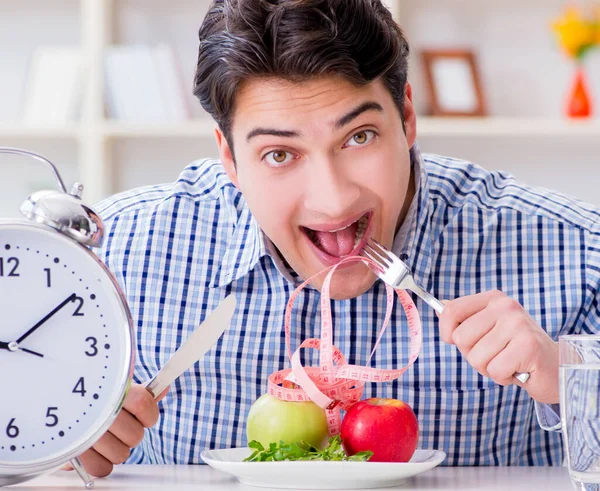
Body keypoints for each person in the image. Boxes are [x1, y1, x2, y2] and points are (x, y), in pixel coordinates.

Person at [73, 0, 600, 478]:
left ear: (408, 118)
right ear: (229, 158)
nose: (331, 200)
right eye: (280, 154)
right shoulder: (109, 256)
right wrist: (53, 448)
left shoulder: (577, 253)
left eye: (359, 137)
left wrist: (570, 381)